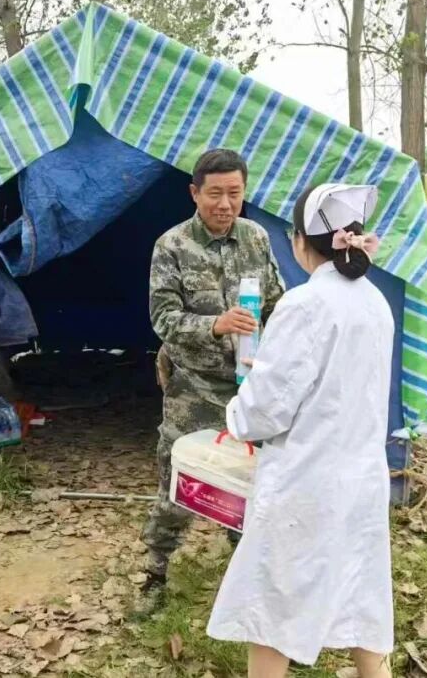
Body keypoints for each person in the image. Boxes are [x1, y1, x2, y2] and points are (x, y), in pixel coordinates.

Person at [207, 182, 394, 678]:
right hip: (362, 478)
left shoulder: (305, 304)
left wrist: (239, 408)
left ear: (297, 240)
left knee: (275, 608)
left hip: (307, 483)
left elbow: (265, 412)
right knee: (362, 597)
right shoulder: (374, 301)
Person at [140, 149, 285, 611]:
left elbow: (277, 304)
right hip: (193, 387)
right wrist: (215, 325)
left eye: (234, 194)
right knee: (177, 482)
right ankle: (154, 575)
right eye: (215, 194)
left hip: (250, 387)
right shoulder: (172, 246)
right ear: (195, 193)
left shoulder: (256, 239)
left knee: (251, 480)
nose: (225, 204)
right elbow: (162, 319)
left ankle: (246, 572)